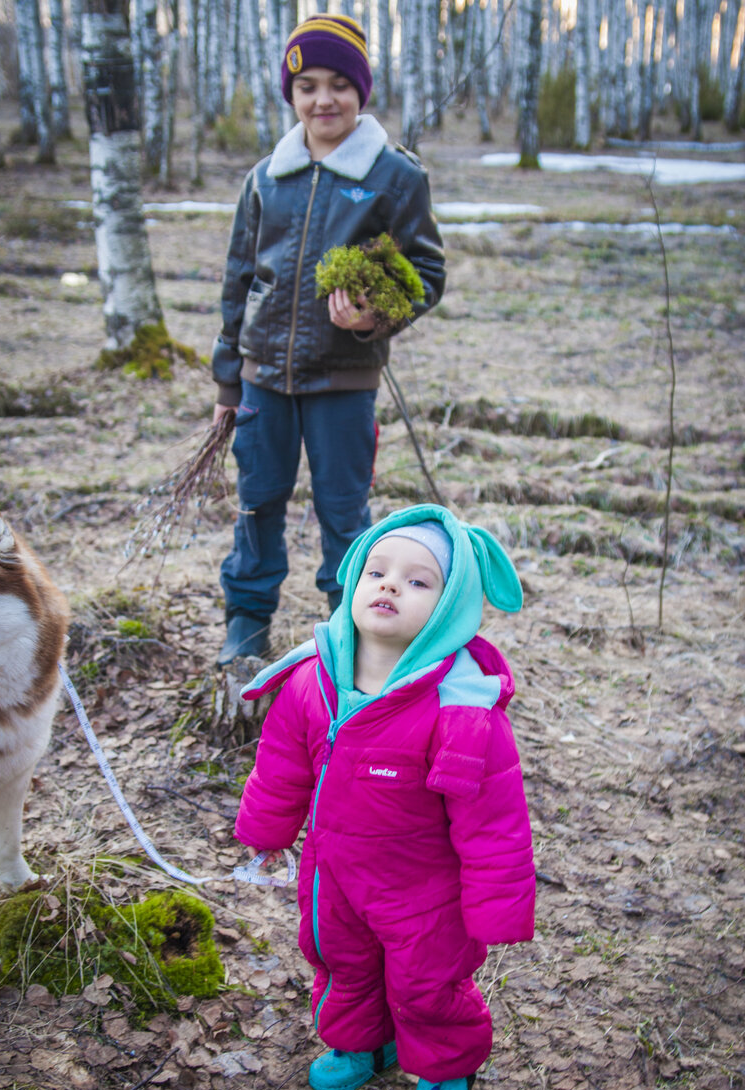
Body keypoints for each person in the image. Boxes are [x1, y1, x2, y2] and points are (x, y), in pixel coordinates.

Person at [233, 504, 535, 1090]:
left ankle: (447, 1064)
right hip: (333, 876)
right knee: (342, 964)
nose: (391, 585)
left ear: (451, 607)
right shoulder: (311, 681)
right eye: (377, 571)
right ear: (353, 583)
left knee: (427, 982)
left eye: (419, 580)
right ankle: (360, 1043)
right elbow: (282, 765)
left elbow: (493, 821)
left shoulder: (462, 708)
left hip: (424, 889)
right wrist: (266, 833)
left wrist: (495, 906)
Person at [212, 14, 446, 665]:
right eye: (307, 84)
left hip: (343, 383)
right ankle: (247, 620)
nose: (323, 100)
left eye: (339, 84)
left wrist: (370, 316)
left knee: (344, 512)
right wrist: (228, 381)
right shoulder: (266, 178)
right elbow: (239, 282)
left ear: (361, 92)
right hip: (263, 379)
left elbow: (426, 273)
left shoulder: (395, 177)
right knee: (258, 501)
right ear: (291, 94)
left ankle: (349, 629)